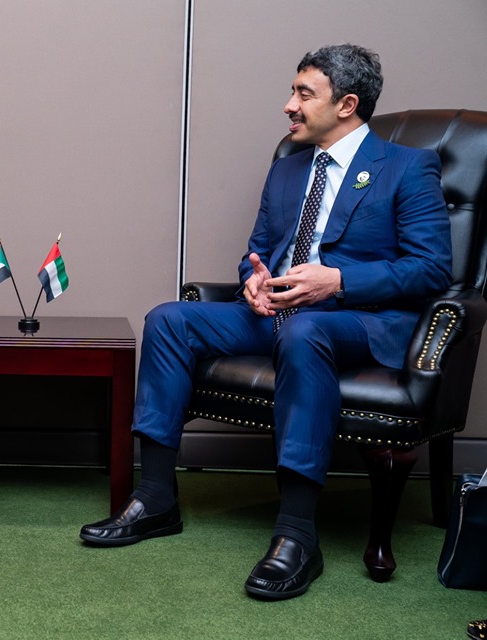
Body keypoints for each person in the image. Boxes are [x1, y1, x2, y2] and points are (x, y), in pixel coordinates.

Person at [79, 44, 452, 600]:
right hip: (276, 313)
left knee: (306, 330)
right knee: (168, 320)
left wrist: (338, 280)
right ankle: (156, 497)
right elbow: (257, 250)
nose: (289, 105)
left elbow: (432, 267)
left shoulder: (406, 167)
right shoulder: (287, 168)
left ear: (347, 104)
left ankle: (297, 533)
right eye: (292, 91)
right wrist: (252, 282)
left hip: (358, 321)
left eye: (304, 93)